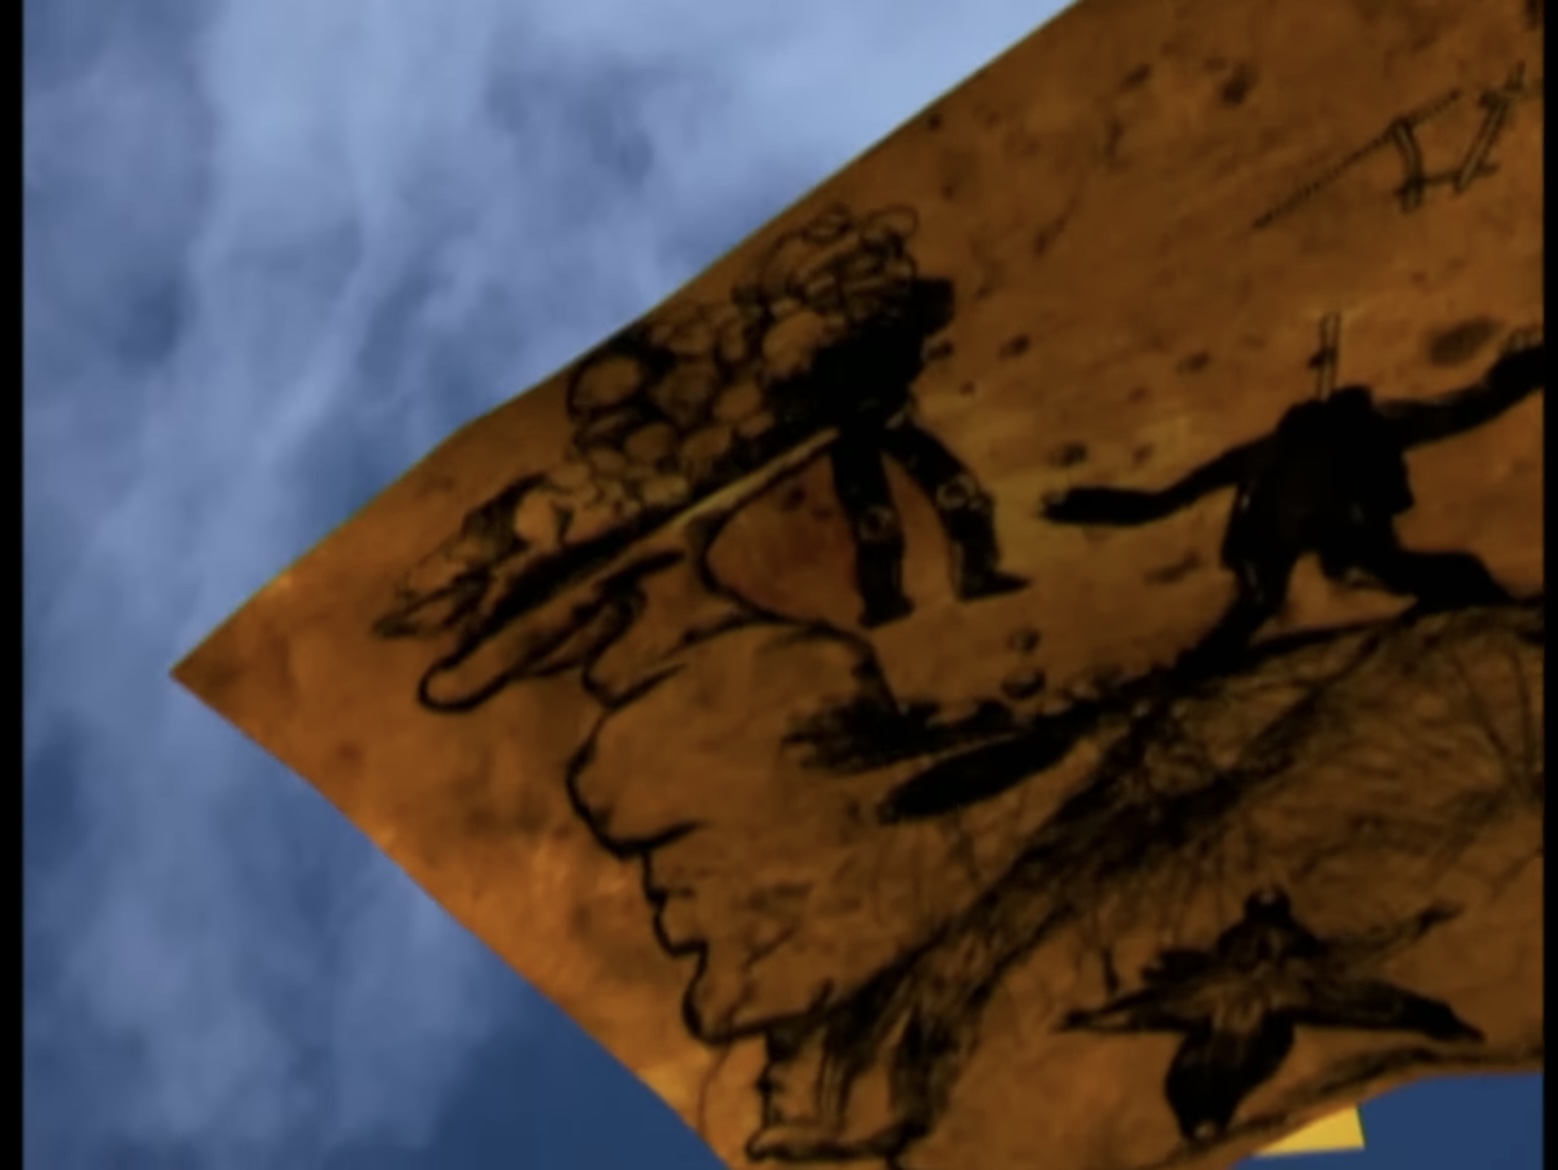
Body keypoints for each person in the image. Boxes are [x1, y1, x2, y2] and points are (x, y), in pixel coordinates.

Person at [1043, 335, 1545, 669]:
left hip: (1322, 526)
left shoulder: (1362, 435)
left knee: (1282, 595)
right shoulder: (1312, 449)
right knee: (1263, 599)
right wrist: (1090, 505)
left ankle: (1483, 608)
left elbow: (1166, 499)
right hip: (1277, 531)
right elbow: (1467, 406)